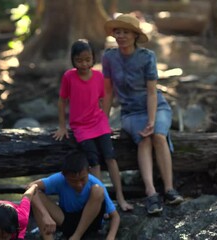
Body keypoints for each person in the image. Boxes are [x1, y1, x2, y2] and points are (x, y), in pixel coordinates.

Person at [102, 13, 184, 215]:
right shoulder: (109, 58)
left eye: (125, 32)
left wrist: (152, 119)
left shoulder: (147, 57)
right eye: (117, 32)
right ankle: (151, 193)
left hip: (156, 107)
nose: (121, 36)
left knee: (157, 134)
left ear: (135, 35)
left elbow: (151, 92)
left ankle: (169, 189)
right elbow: (109, 91)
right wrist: (102, 120)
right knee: (143, 139)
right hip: (130, 112)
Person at [53, 39, 133, 211]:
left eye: (88, 59)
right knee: (94, 162)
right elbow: (62, 102)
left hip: (99, 123)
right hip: (80, 127)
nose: (84, 64)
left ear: (93, 58)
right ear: (73, 60)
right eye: (79, 60)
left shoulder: (98, 76)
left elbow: (103, 98)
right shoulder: (69, 76)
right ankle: (102, 202)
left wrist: (104, 118)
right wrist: (62, 126)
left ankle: (120, 197)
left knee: (110, 158)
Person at [28, 151, 120, 240]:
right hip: (66, 220)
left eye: (82, 179)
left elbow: (115, 216)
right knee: (36, 195)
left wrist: (110, 237)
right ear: (64, 175)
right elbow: (30, 187)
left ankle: (77, 236)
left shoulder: (94, 182)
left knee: (98, 190)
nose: (79, 184)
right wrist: (45, 215)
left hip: (91, 223)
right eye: (73, 181)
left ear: (89, 171)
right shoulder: (60, 179)